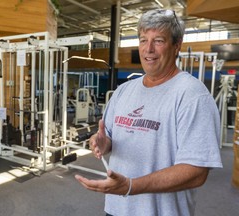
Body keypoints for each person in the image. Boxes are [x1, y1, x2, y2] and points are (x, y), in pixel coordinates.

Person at [75, 9, 222, 216]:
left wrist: (131, 186)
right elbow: (109, 138)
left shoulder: (193, 96)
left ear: (177, 45)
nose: (148, 49)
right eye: (143, 40)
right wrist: (101, 142)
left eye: (158, 41)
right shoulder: (123, 91)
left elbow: (196, 172)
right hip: (115, 209)